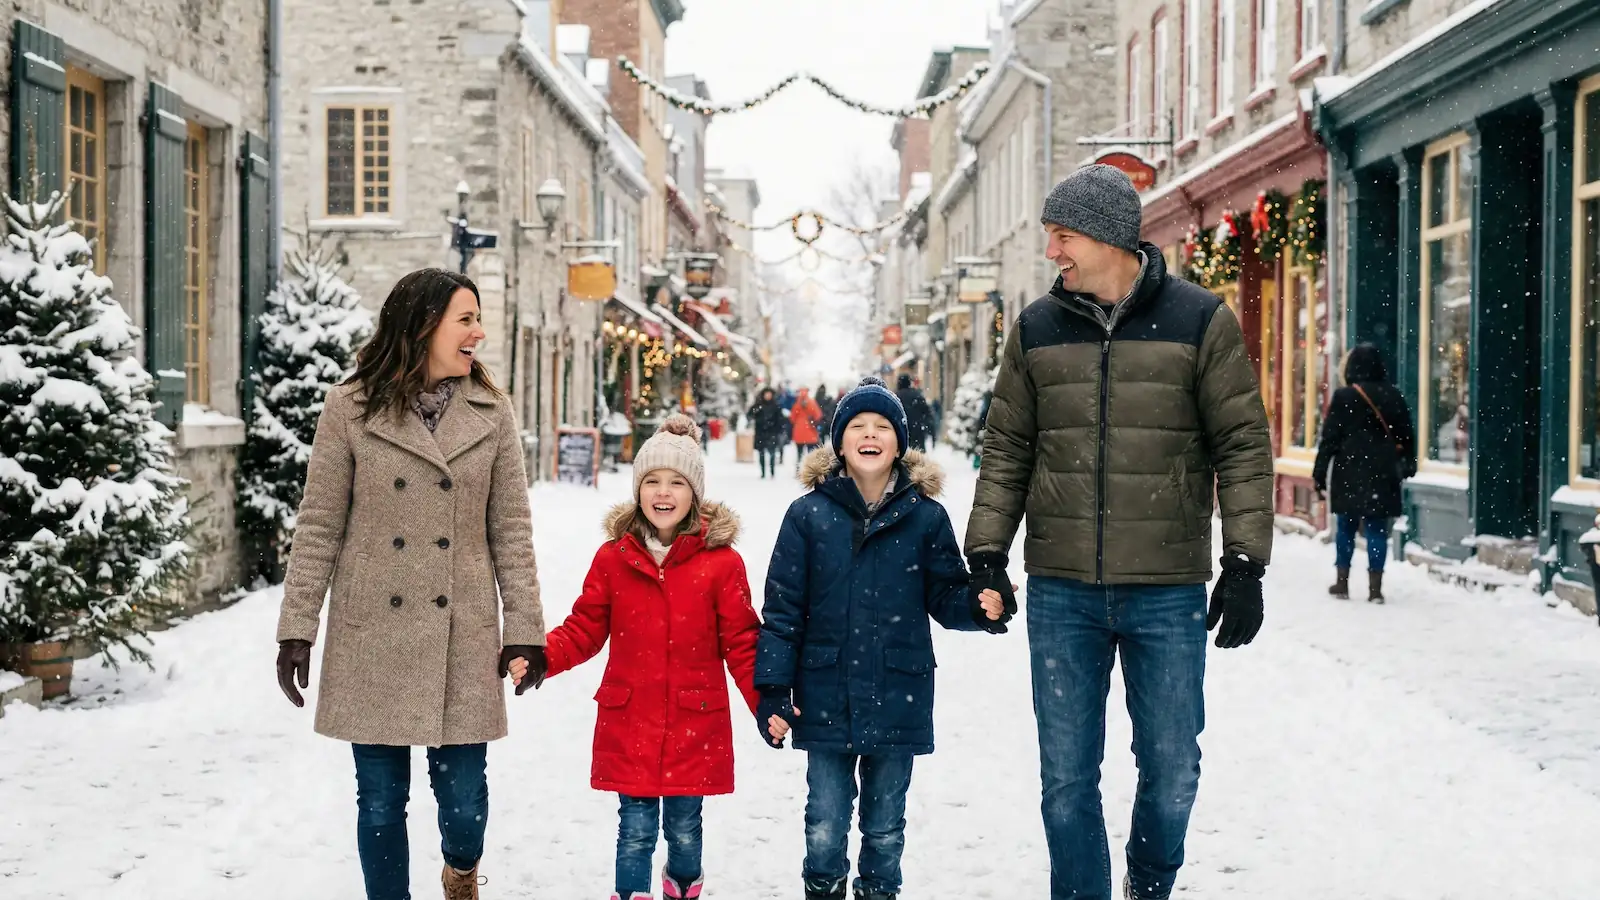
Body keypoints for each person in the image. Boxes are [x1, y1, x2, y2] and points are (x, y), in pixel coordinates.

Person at [963, 164, 1274, 900]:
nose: (1053, 253)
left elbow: (1242, 443)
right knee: (1067, 776)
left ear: (1106, 235)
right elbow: (1007, 446)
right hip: (1061, 589)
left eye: (1062, 236)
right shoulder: (1037, 327)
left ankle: (1149, 878)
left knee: (1172, 766)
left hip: (1166, 589)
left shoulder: (1201, 320)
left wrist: (1244, 562)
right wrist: (985, 552)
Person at [274, 267, 546, 900]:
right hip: (373, 630)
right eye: (465, 319)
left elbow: (511, 530)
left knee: (464, 805)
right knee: (378, 803)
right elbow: (318, 525)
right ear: (423, 326)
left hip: (461, 632)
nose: (479, 332)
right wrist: (296, 628)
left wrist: (525, 631)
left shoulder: (491, 411)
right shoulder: (349, 408)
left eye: (478, 319)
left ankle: (460, 870)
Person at [755, 376, 1008, 900]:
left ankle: (879, 892)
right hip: (824, 692)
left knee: (885, 825)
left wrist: (978, 607)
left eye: (882, 428)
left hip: (899, 689)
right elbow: (782, 612)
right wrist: (775, 690)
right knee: (824, 823)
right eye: (857, 427)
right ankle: (822, 890)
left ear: (900, 442)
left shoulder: (925, 517)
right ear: (839, 442)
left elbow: (946, 596)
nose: (870, 436)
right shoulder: (807, 516)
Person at [518, 414, 758, 900]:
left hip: (696, 720)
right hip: (632, 721)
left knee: (686, 830)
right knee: (635, 830)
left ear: (695, 493)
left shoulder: (721, 564)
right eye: (651, 481)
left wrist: (767, 702)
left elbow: (742, 641)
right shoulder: (614, 558)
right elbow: (585, 626)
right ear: (637, 489)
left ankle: (683, 884)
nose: (662, 492)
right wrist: (544, 656)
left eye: (676, 482)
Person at [1312, 343, 1416, 603]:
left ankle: (1342, 582)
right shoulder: (1393, 395)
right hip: (1383, 472)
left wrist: (1319, 472)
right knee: (1377, 529)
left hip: (1349, 471)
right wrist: (1408, 465)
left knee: (1346, 527)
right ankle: (1375, 588)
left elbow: (1330, 439)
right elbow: (1406, 435)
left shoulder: (1344, 397)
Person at [749, 387, 788, 479]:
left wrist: (779, 429)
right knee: (761, 454)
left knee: (772, 454)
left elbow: (780, 419)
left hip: (772, 433)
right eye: (766, 394)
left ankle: (772, 472)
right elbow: (750, 414)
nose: (768, 396)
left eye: (769, 394)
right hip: (760, 433)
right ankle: (762, 473)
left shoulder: (775, 406)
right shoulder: (758, 405)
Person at [893, 373, 933, 453]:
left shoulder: (895, 397)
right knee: (918, 460)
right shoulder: (917, 395)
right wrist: (931, 433)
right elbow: (927, 414)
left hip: (901, 434)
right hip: (917, 432)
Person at [789, 386, 824, 467]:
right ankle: (810, 471)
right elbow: (818, 415)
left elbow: (792, 418)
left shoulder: (797, 404)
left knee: (799, 453)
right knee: (810, 455)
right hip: (810, 431)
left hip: (799, 432)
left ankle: (798, 470)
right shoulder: (812, 403)